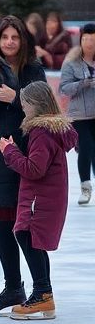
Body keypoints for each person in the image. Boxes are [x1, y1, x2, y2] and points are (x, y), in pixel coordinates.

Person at [0, 15, 47, 315]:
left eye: (15, 37)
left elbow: (44, 109)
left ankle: (42, 289)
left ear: (23, 40)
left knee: (25, 226)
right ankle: (13, 287)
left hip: (25, 154)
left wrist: (15, 98)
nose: (10, 42)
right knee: (1, 226)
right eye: (5, 37)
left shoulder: (33, 69)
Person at [0, 82, 77, 320]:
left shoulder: (42, 132)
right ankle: (44, 295)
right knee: (33, 240)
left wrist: (9, 151)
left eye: (25, 103)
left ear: (36, 104)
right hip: (46, 196)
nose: (22, 107)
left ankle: (42, 294)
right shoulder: (50, 130)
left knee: (27, 236)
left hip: (39, 198)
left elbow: (34, 169)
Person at [59, 22, 95, 205]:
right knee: (86, 147)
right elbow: (63, 88)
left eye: (93, 39)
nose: (89, 43)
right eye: (85, 39)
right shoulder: (71, 63)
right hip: (79, 115)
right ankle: (85, 186)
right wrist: (82, 84)